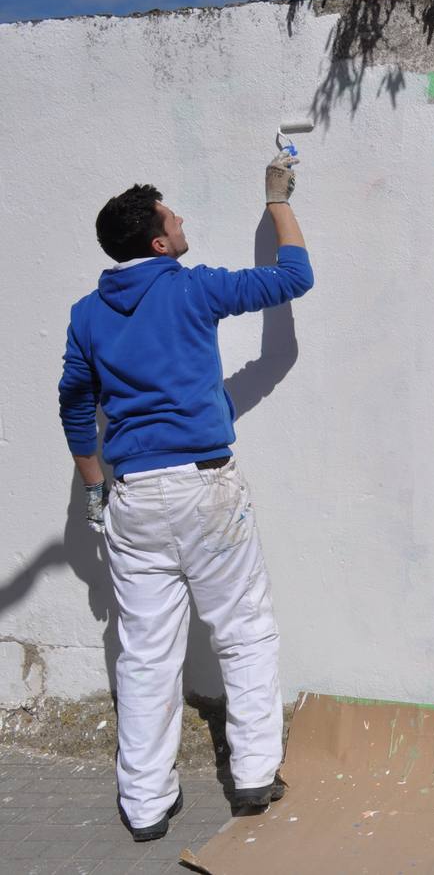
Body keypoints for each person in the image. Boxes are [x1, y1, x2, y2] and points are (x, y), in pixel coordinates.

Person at [57, 152, 312, 842]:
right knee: (243, 628)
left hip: (132, 496)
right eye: (174, 215)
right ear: (159, 241)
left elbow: (75, 409)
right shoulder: (191, 289)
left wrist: (93, 495)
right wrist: (276, 201)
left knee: (145, 655)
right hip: (203, 489)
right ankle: (254, 775)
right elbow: (296, 277)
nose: (182, 218)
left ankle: (144, 807)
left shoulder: (87, 315)